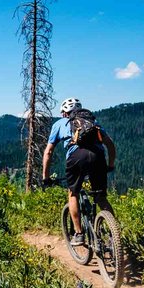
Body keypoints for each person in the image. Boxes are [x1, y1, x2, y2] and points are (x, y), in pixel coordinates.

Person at [42, 97, 116, 246]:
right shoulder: (93, 123)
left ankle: (79, 234)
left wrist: (46, 177)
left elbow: (48, 152)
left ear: (64, 113)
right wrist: (110, 164)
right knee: (101, 197)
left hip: (76, 157)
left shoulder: (59, 124)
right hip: (98, 156)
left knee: (73, 193)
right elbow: (110, 144)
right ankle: (115, 234)